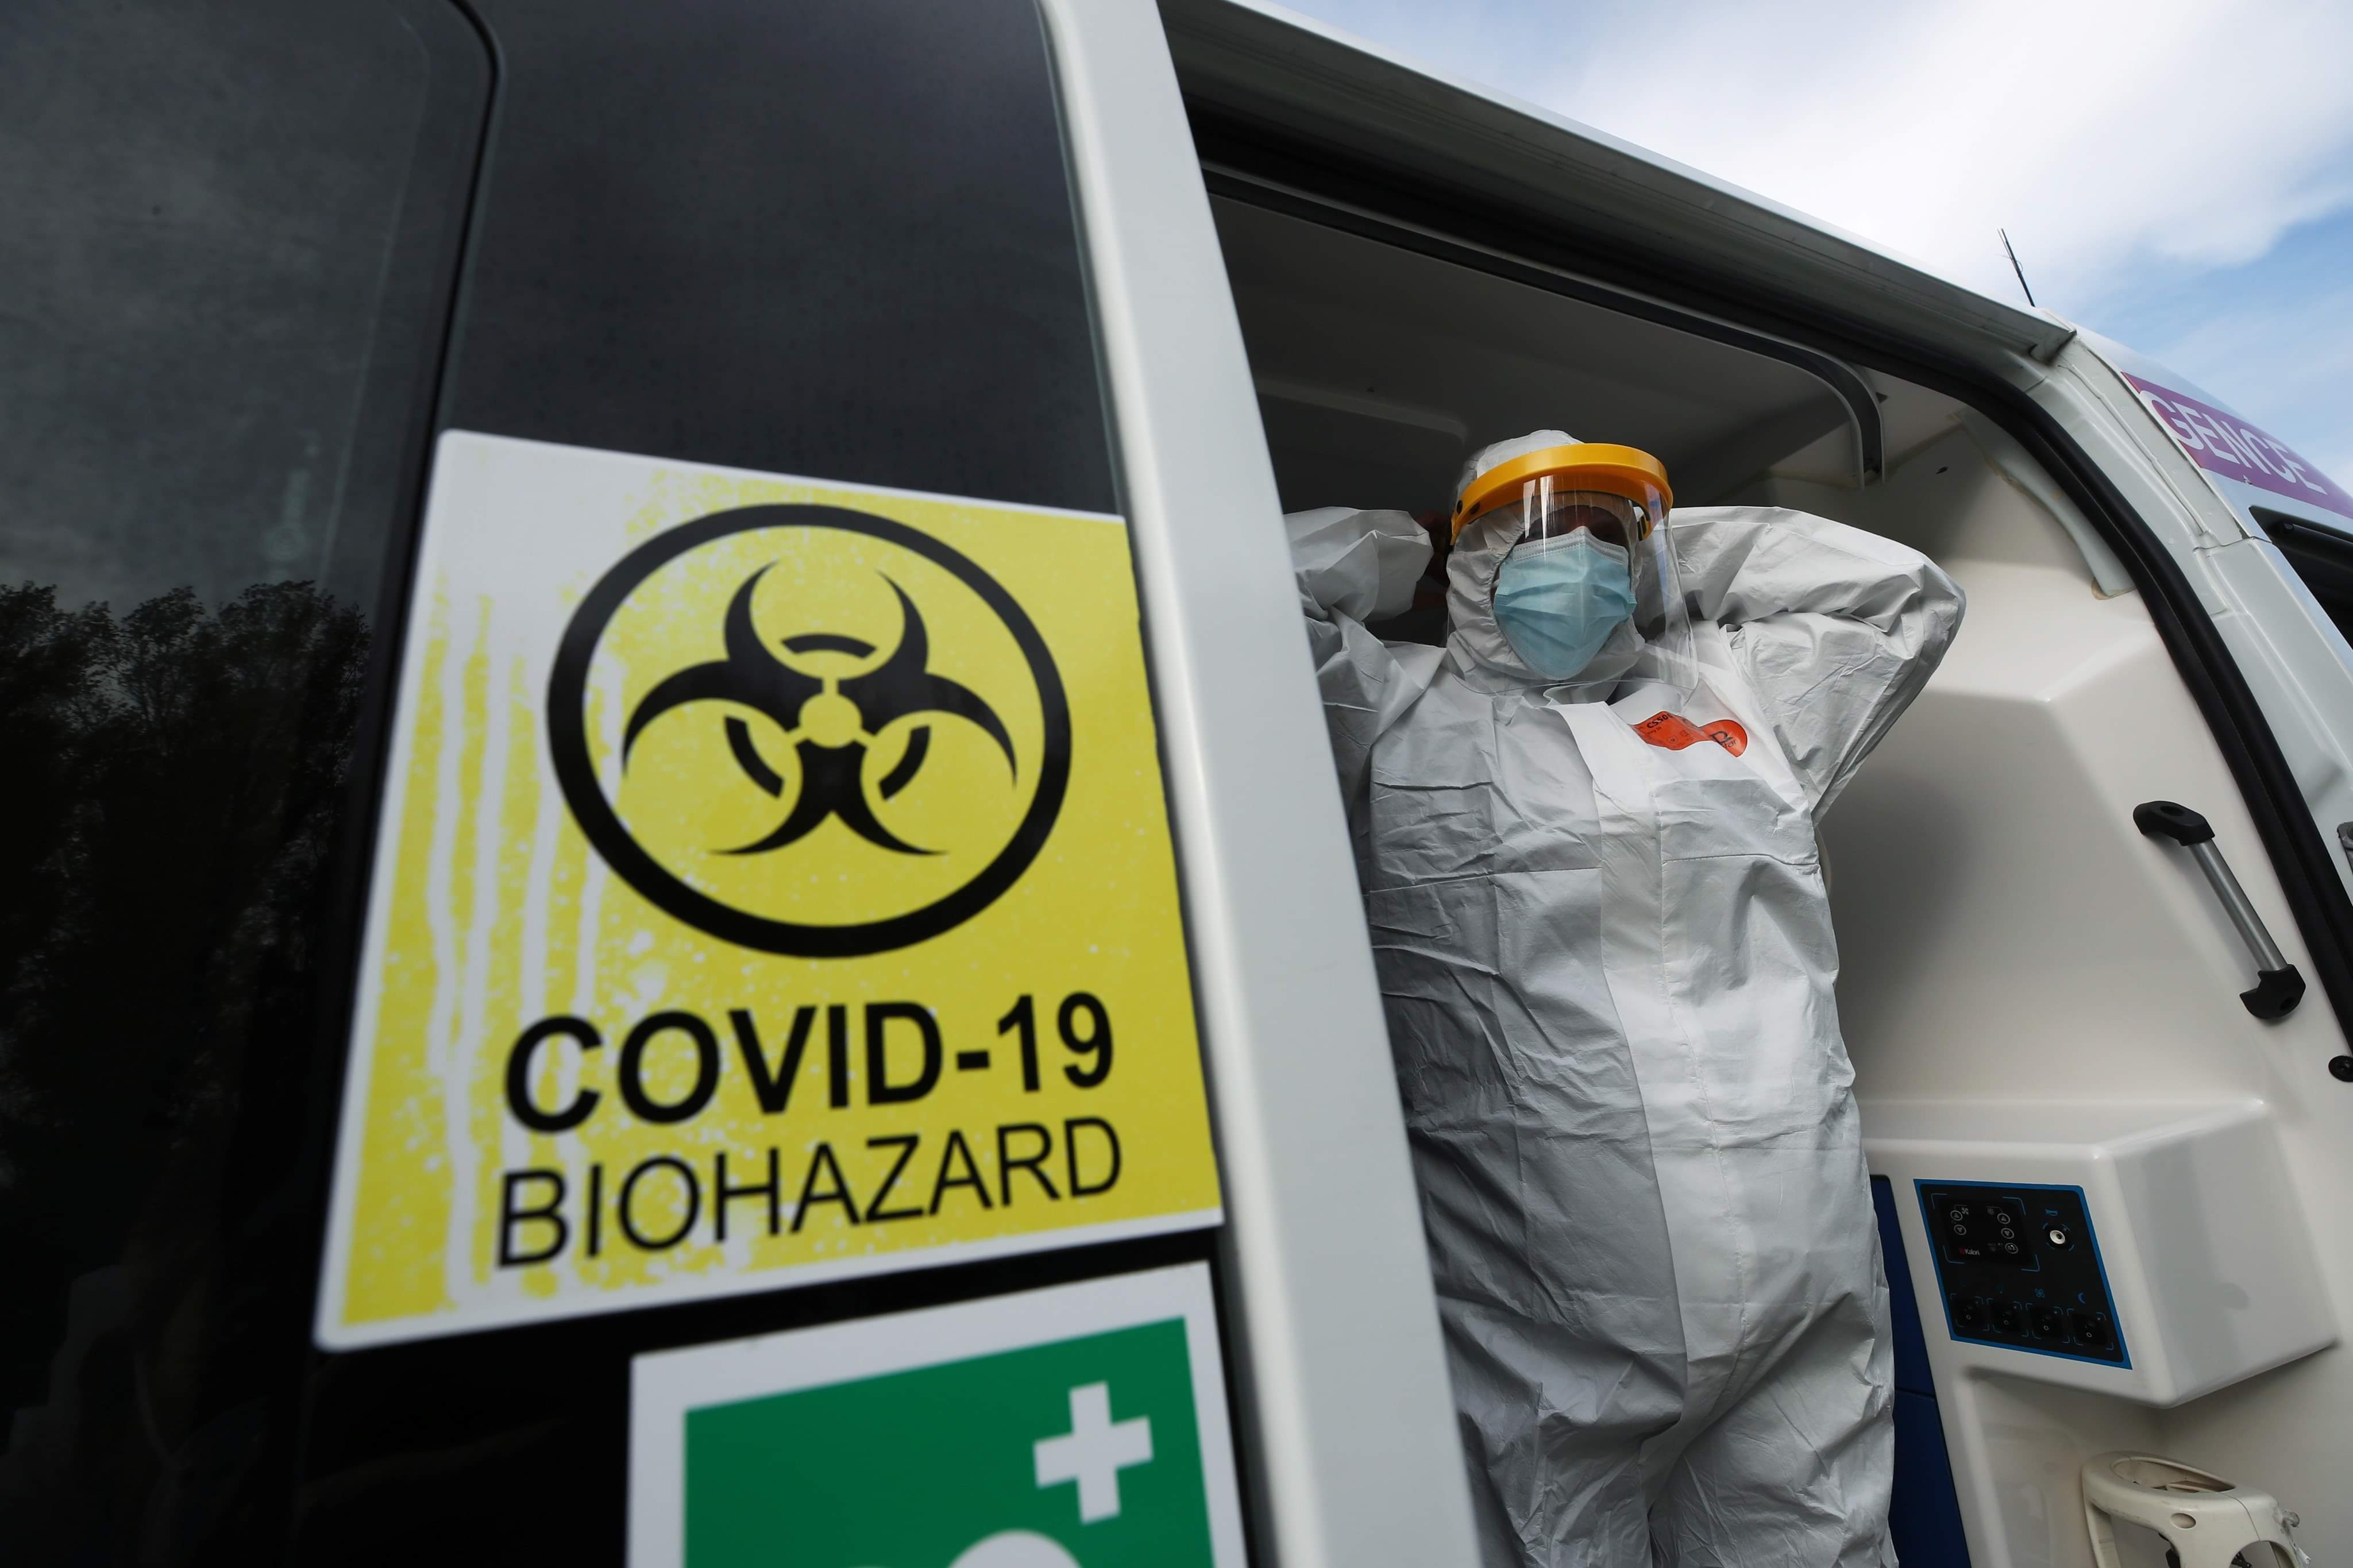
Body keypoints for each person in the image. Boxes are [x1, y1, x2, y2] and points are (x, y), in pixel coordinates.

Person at [1285, 431, 1964, 1566]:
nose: (1581, 559)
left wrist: (1666, 552)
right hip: (1547, 1325)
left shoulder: (1733, 694)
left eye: (1608, 538)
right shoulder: (1390, 709)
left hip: (1800, 1295)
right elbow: (1232, 598)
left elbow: (1902, 598)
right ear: (1474, 555)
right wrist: (1403, 544)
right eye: (1542, 531)